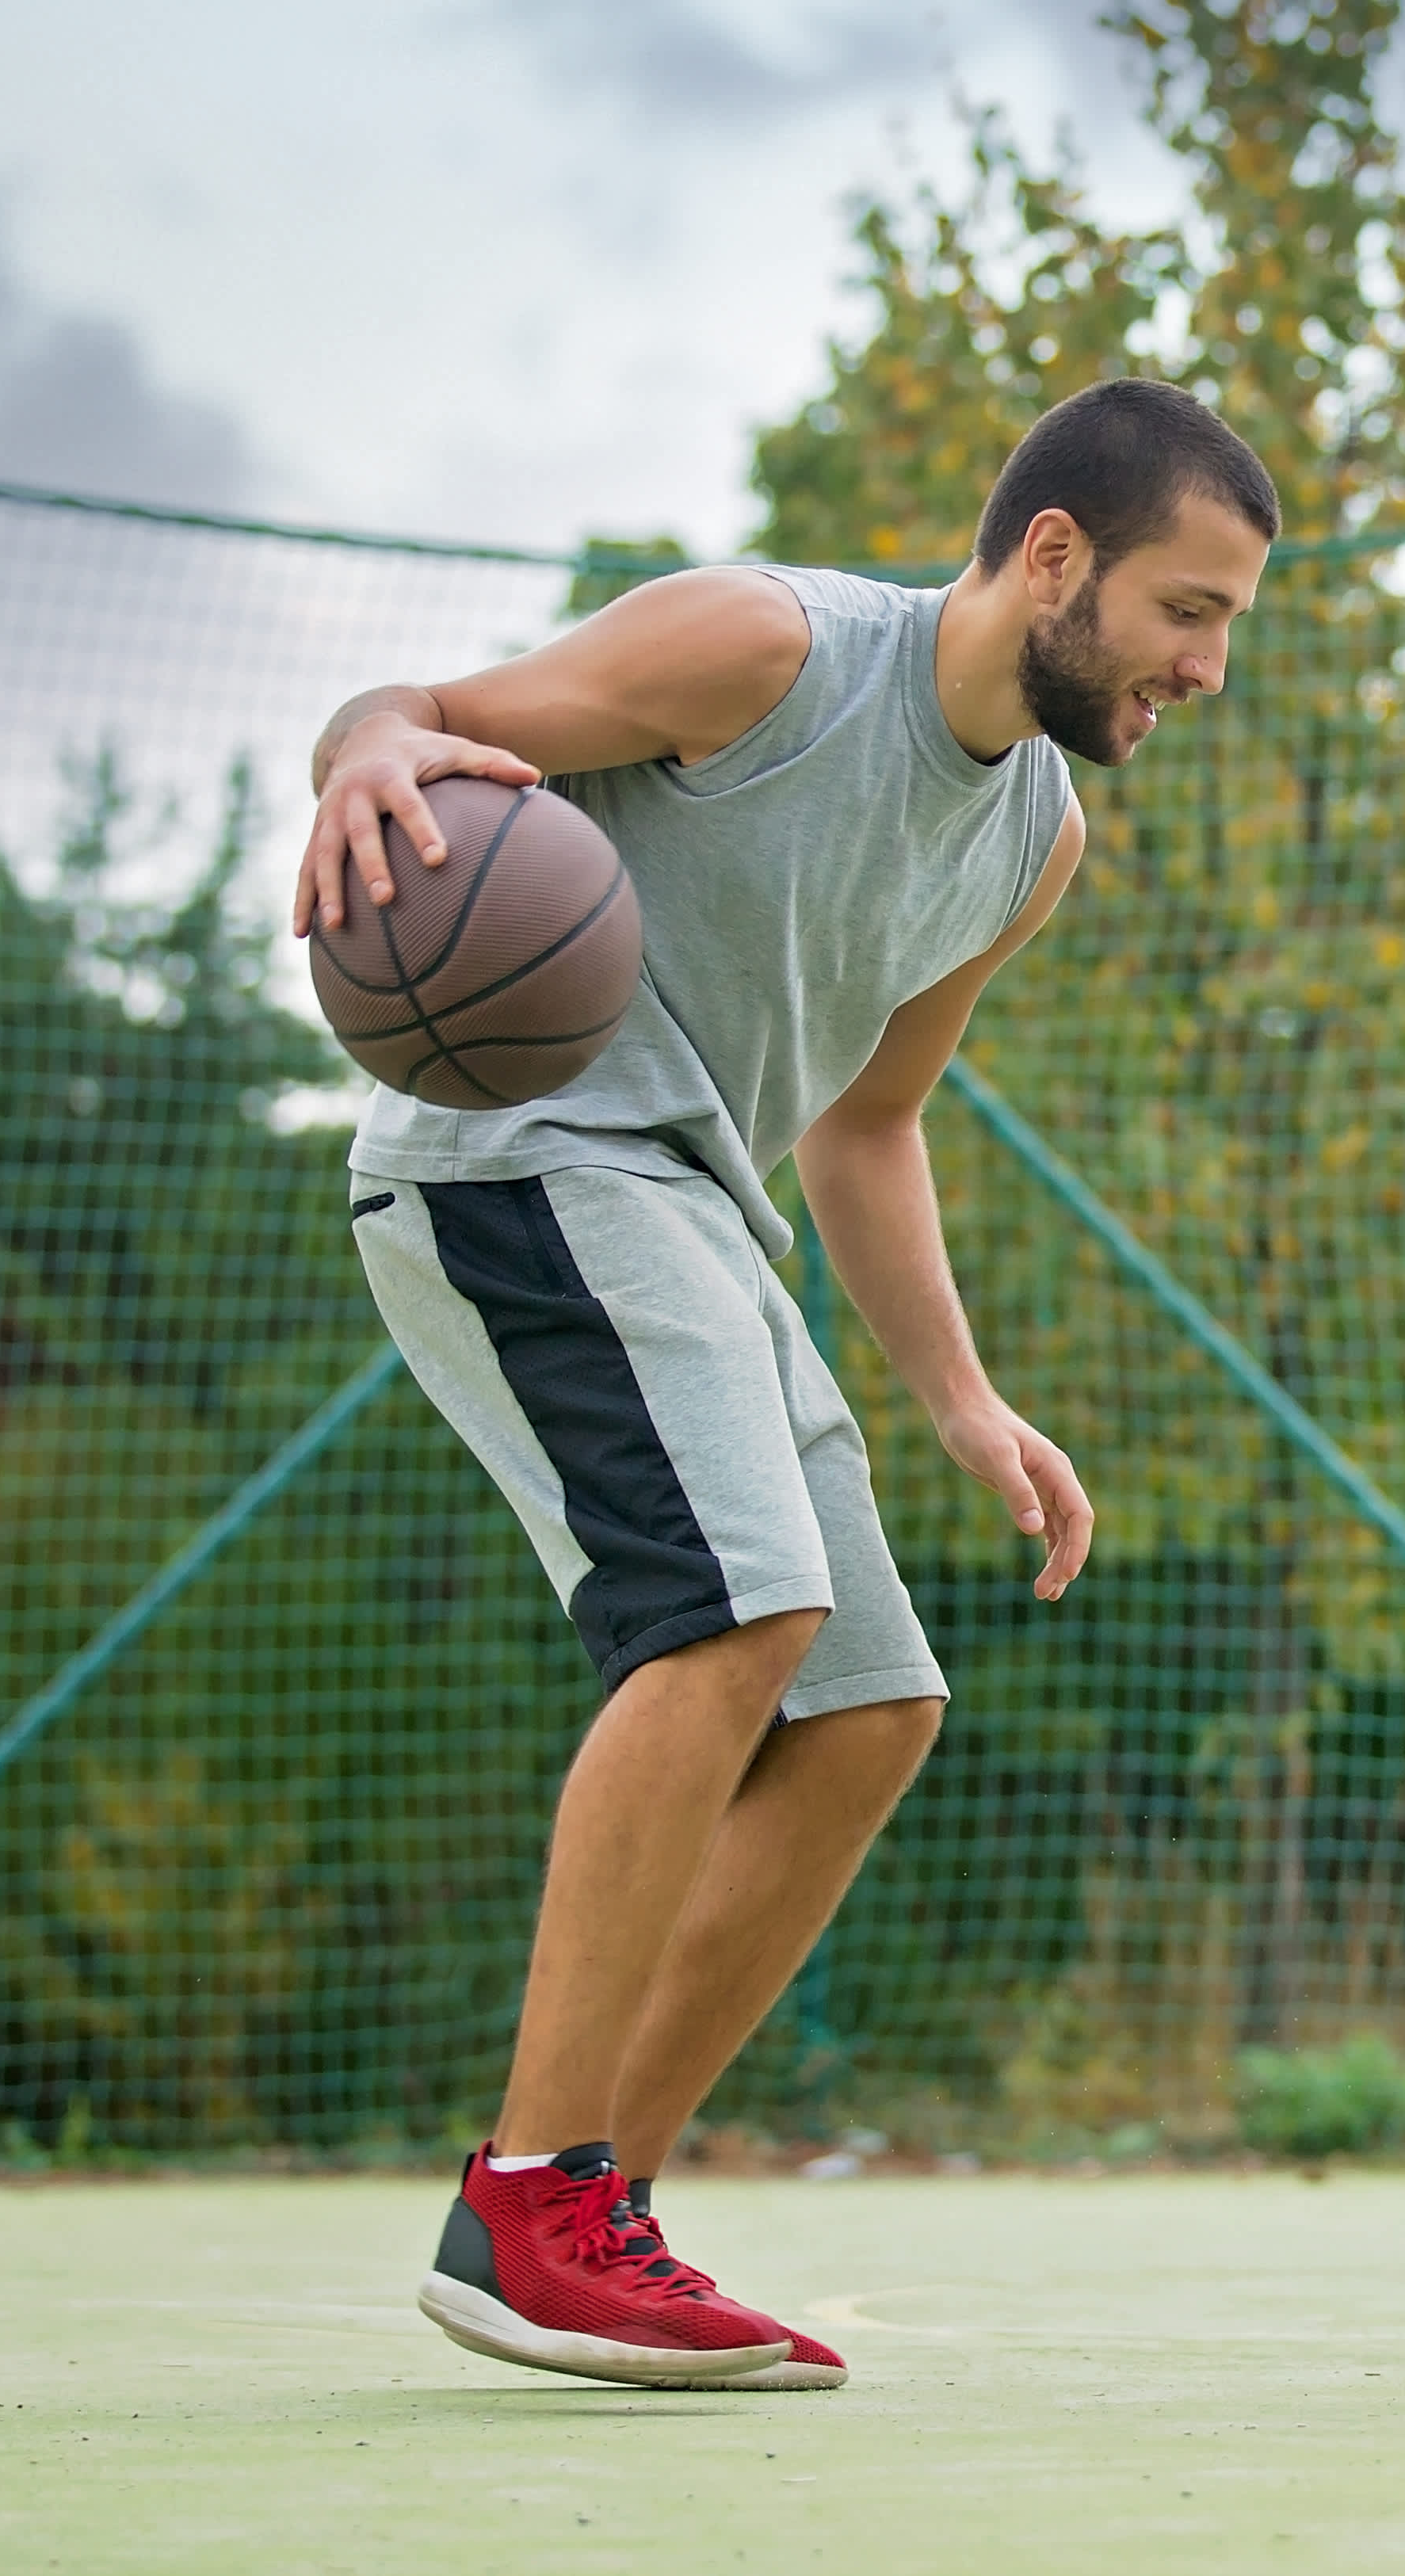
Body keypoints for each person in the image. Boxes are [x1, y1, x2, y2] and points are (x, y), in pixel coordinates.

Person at [292, 379, 1277, 2390]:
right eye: (1191, 608)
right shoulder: (763, 648)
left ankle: (594, 2213)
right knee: (744, 1612)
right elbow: (414, 710)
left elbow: (872, 1127)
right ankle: (532, 2195)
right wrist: (366, 753)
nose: (1207, 663)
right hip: (530, 1153)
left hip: (699, 1211)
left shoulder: (1034, 836)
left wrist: (963, 1400)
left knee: (866, 1706)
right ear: (1055, 556)